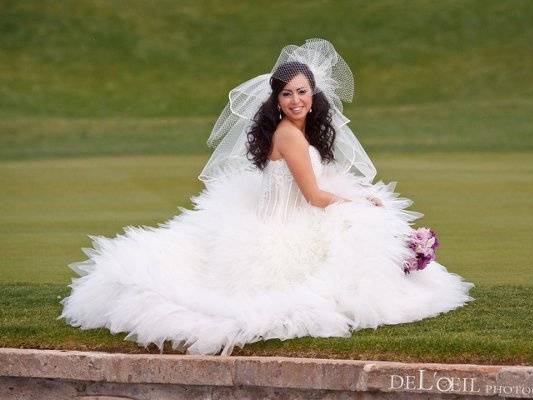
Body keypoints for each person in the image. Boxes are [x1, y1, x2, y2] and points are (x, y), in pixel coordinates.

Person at [59, 38, 475, 356]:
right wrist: (361, 202)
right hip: (283, 225)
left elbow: (312, 180)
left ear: (314, 95)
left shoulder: (298, 133)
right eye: (287, 94)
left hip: (281, 211)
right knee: (356, 235)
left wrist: (356, 193)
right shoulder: (290, 136)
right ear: (276, 100)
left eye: (302, 92)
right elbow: (313, 196)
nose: (296, 100)